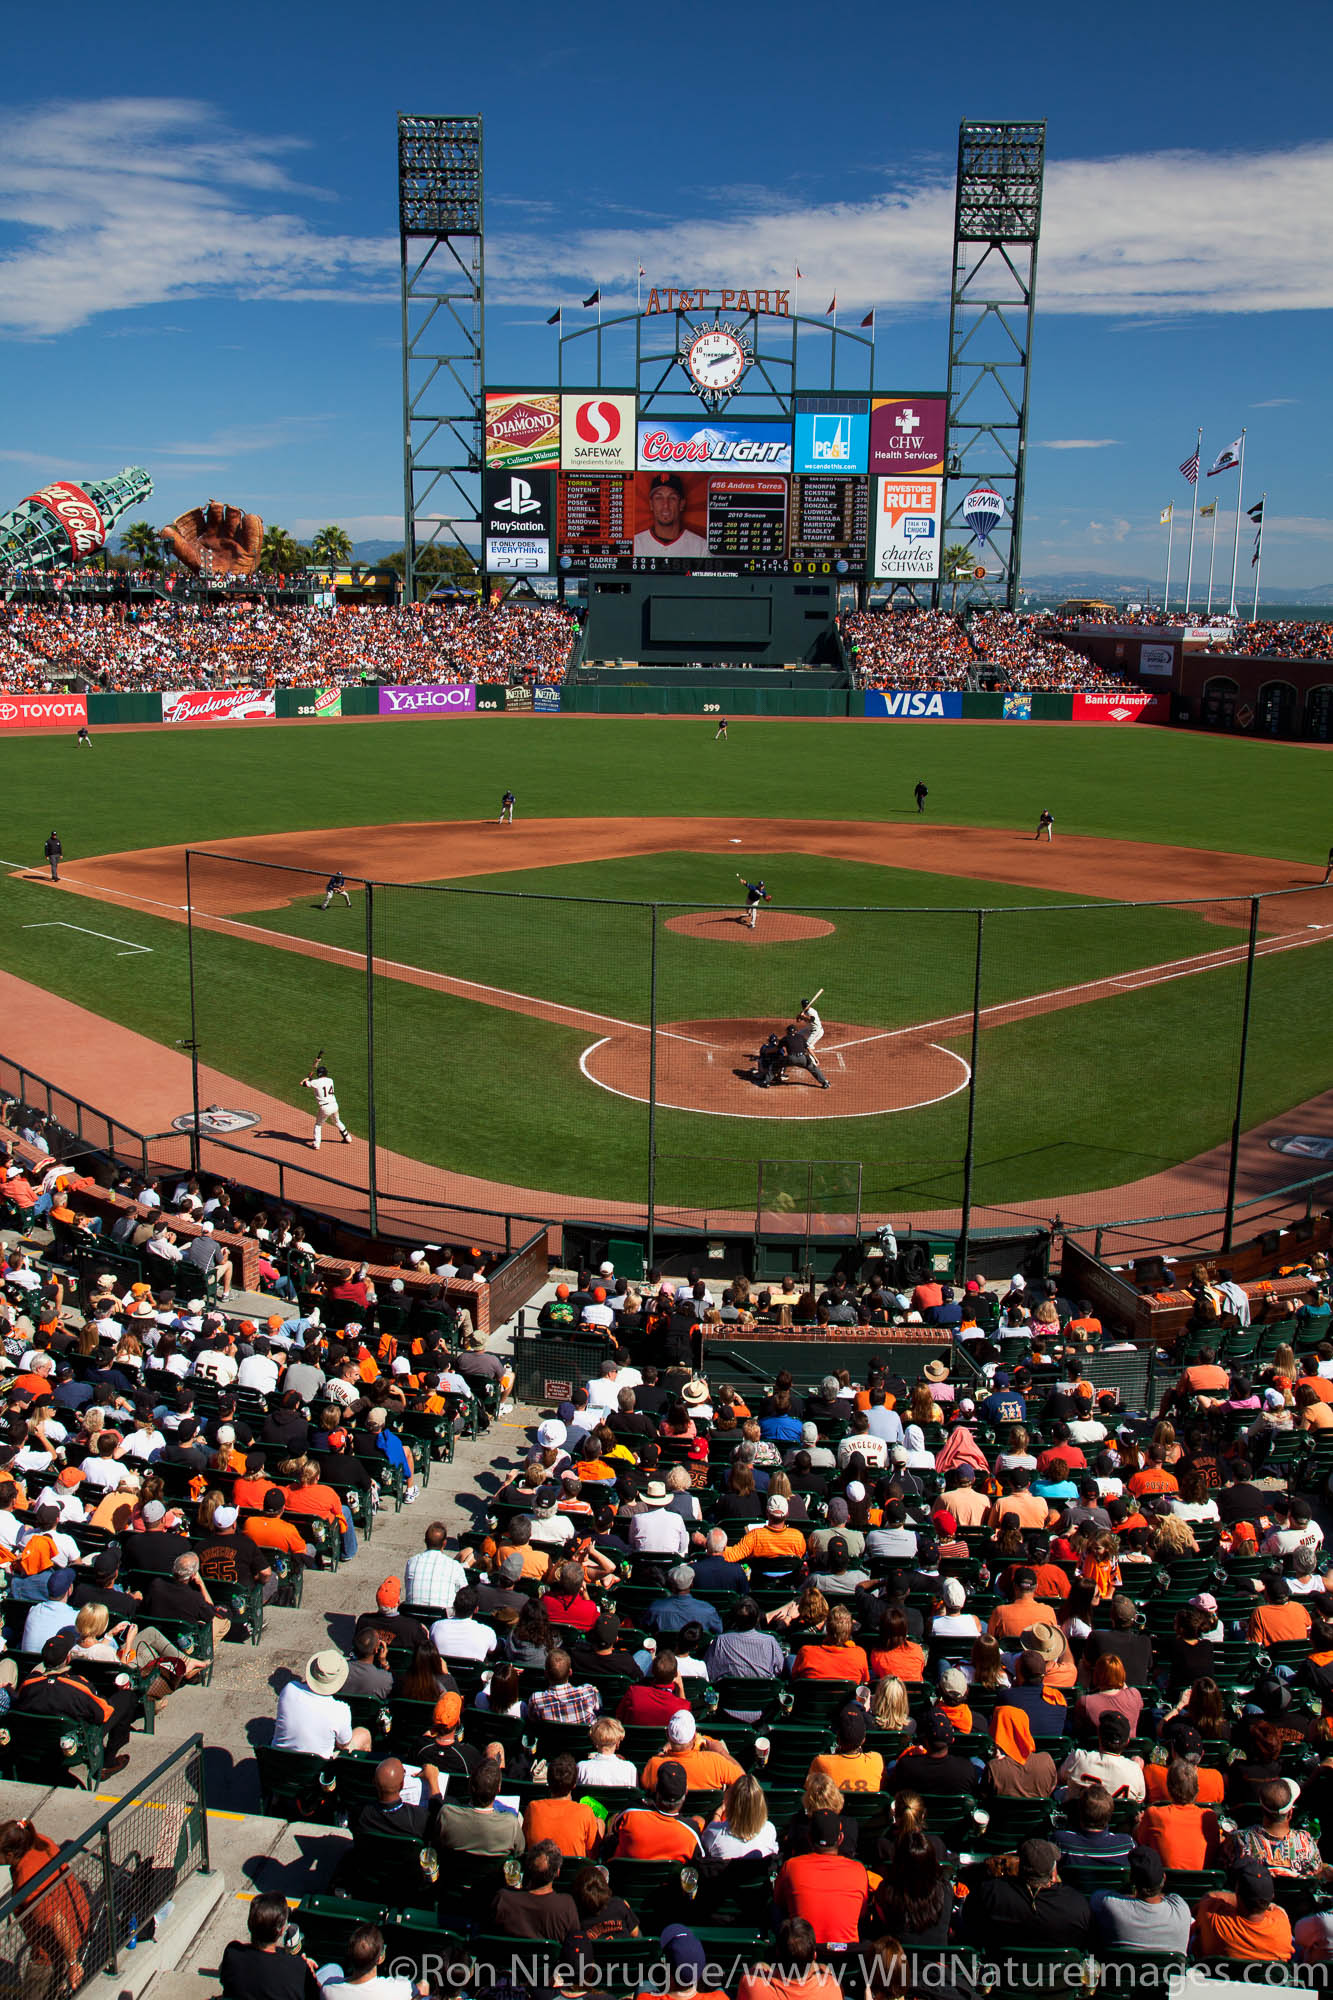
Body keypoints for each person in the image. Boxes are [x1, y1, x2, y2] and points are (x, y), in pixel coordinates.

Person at [958, 1836, 1094, 1950]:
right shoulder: (1077, 1904)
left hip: (1003, 1975)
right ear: (1053, 1871)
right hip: (1058, 1978)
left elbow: (969, 1925)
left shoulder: (990, 1893)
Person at [219, 1891, 322, 2000]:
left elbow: (225, 1977)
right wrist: (308, 1970)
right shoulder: (298, 1968)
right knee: (334, 1968)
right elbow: (318, 1995)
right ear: (281, 1931)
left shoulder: (232, 1953)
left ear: (249, 1925)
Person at [1089, 1845, 1192, 1953]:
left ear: (1131, 1879)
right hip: (1169, 1970)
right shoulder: (1181, 1908)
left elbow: (1096, 1897)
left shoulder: (1109, 1904)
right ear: (1164, 1878)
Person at [272, 1651, 373, 1758]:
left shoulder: (289, 1689)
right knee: (363, 1734)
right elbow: (344, 1744)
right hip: (317, 1767)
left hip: (279, 1760)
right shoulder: (340, 1710)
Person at [633, 472, 708, 558]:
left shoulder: (701, 548)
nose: (665, 505)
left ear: (681, 504)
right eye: (659, 498)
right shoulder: (634, 545)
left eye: (672, 498)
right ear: (651, 504)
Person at [300, 1061, 350, 1148]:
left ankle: (316, 1144)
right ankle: (347, 1137)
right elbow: (320, 1084)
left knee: (318, 1124)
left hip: (325, 1108)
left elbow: (302, 1083)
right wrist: (311, 1079)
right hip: (334, 1105)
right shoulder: (330, 1080)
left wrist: (308, 1078)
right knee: (337, 1121)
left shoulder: (315, 1082)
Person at [782, 1018, 830, 1091]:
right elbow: (808, 1049)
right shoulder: (801, 1037)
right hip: (803, 1059)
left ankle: (774, 1077)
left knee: (779, 1062)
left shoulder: (785, 1038)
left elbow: (777, 1048)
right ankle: (824, 1083)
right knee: (813, 1069)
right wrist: (815, 1059)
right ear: (796, 1031)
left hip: (791, 1058)